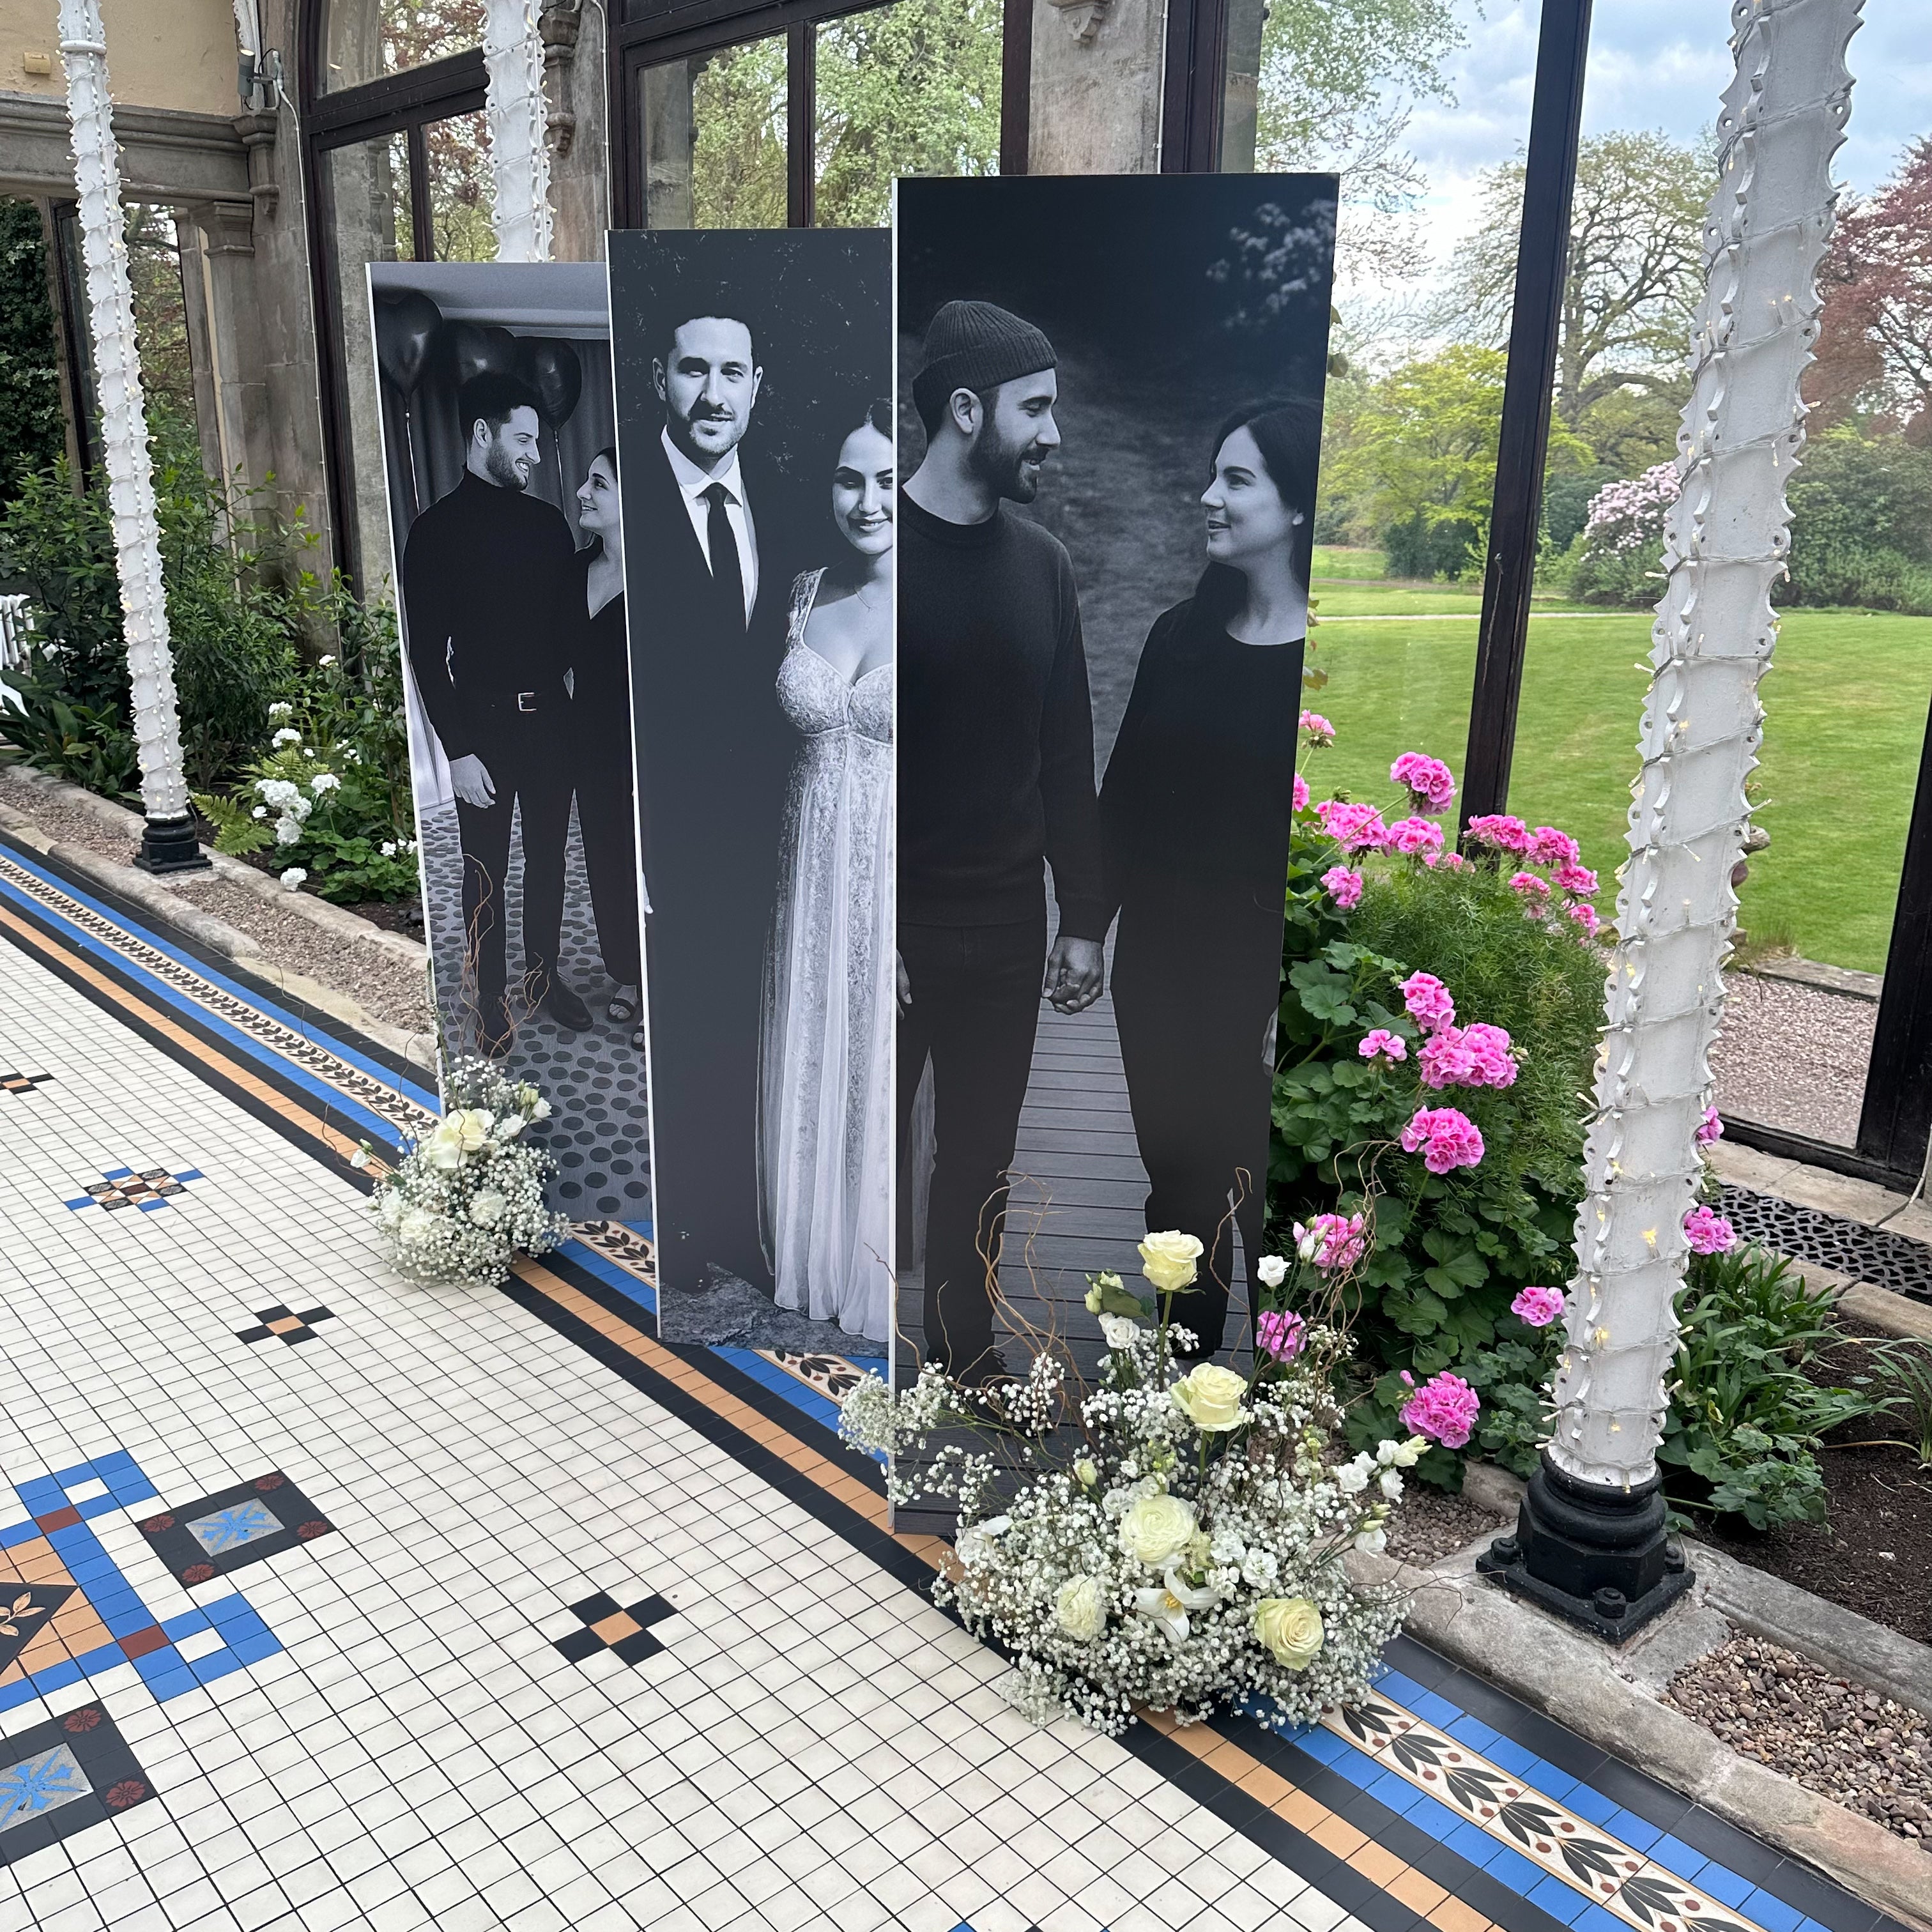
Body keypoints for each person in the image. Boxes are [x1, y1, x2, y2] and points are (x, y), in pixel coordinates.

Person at [896, 299, 1108, 1379]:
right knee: (870, 1143)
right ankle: (836, 1329)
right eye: (1035, 408)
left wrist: (1082, 914)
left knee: (979, 1155)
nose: (1053, 434)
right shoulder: (872, 560)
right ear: (966, 409)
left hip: (1006, 923)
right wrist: (864, 918)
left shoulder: (1042, 564)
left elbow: (1065, 747)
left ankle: (958, 1342)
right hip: (889, 930)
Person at [1099, 401, 1316, 1356]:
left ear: (1297, 504)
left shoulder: (1322, 668)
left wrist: (1289, 985)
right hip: (1153, 964)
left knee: (1238, 1178)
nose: (1208, 497)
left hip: (1257, 976)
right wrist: (1081, 926)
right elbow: (1124, 795)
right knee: (1174, 1176)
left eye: (1237, 480)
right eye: (1211, 475)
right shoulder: (1178, 637)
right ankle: (1184, 1368)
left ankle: (1222, 1384)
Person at [629, 307, 799, 1292]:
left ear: (755, 385)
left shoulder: (778, 499)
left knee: (748, 1024)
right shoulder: (625, 500)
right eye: (694, 371)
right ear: (663, 378)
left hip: (768, 827)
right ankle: (685, 1234)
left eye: (731, 373)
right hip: (666, 831)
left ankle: (740, 1225)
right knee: (684, 1027)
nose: (712, 394)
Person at [402, 372, 591, 1052]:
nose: (536, 456)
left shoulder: (548, 527)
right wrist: (455, 751)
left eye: (537, 443)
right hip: (480, 729)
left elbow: (574, 633)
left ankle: (543, 977)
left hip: (551, 726)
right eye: (522, 441)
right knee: (483, 872)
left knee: (549, 863)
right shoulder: (433, 533)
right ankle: (488, 998)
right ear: (482, 435)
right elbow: (427, 654)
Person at [760, 402, 895, 1345]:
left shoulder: (945, 598)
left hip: (893, 863)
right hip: (806, 867)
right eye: (850, 478)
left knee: (877, 1051)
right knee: (814, 1040)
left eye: (887, 478)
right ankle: (812, 1243)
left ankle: (876, 1253)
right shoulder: (803, 593)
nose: (867, 498)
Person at [569, 446, 644, 1049]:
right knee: (608, 862)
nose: (582, 494)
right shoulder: (573, 572)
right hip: (591, 745)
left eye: (599, 483)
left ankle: (670, 979)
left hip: (649, 748)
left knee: (658, 867)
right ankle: (628, 974)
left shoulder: (664, 578)